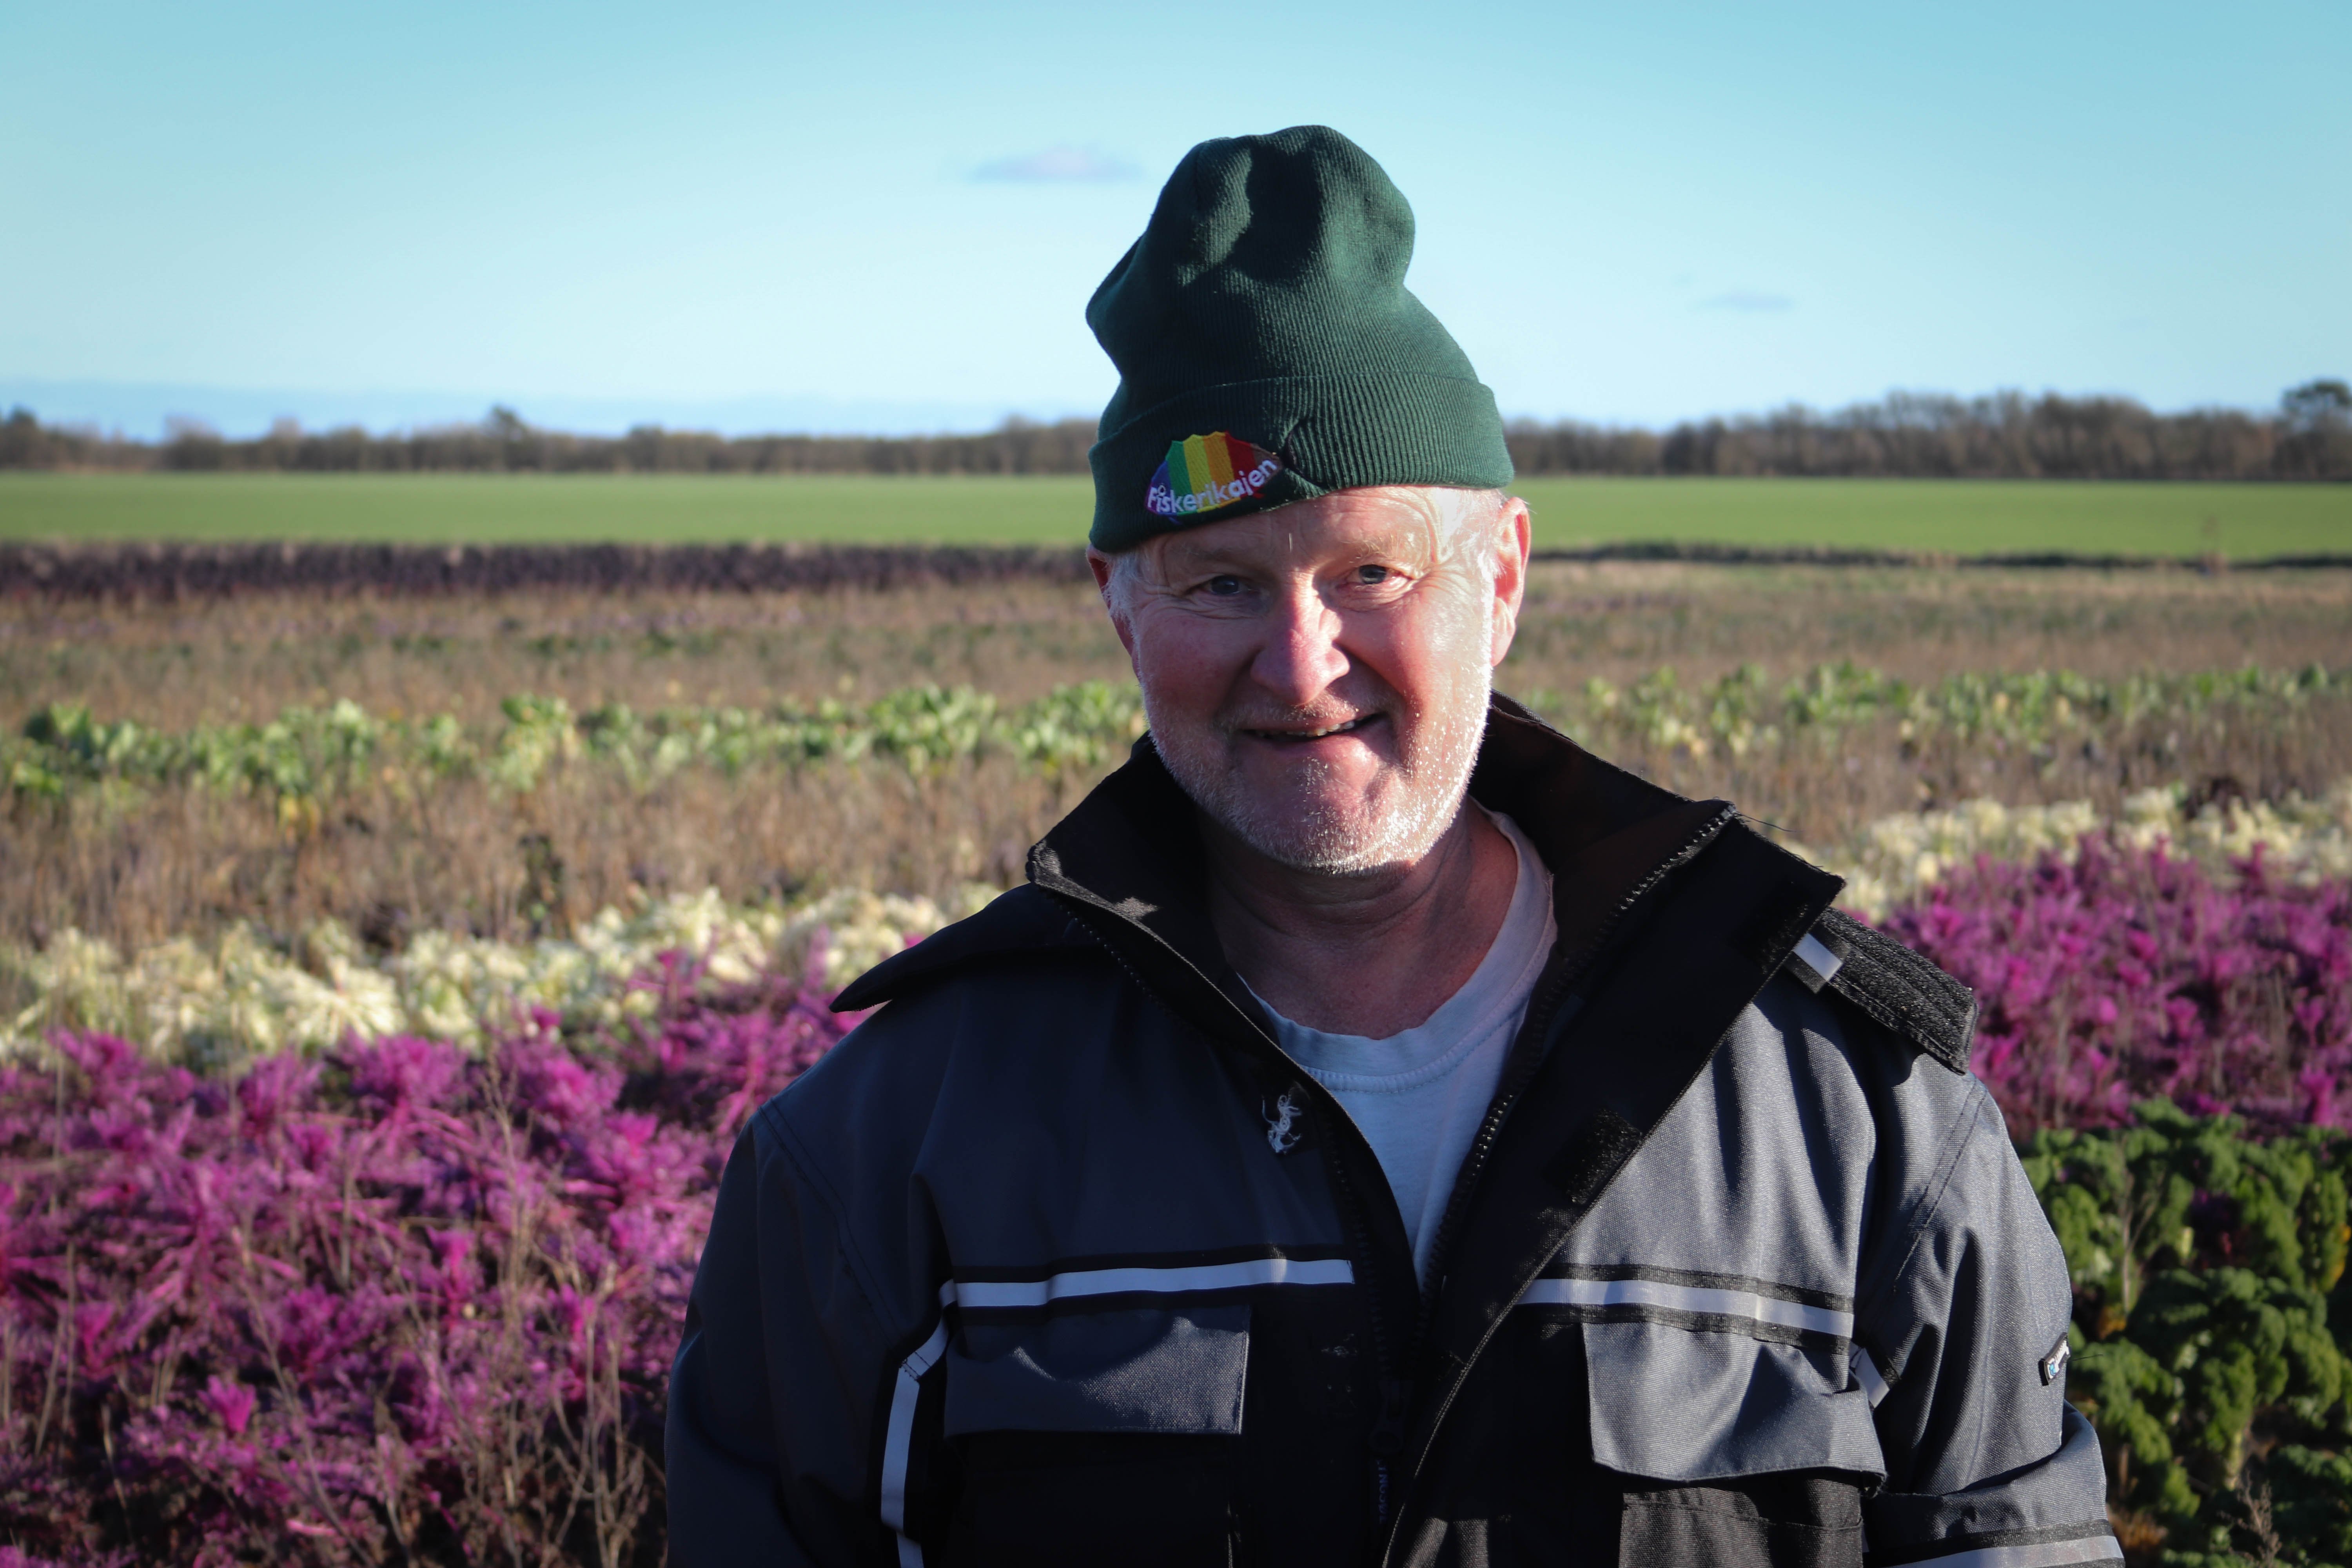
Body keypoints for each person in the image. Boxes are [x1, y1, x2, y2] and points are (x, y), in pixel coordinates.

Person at [667, 125, 2119, 1568]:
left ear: (1502, 578)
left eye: (1370, 571)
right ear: (1118, 600)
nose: (1301, 667)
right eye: (1220, 581)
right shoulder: (884, 1154)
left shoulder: (1859, 1125)